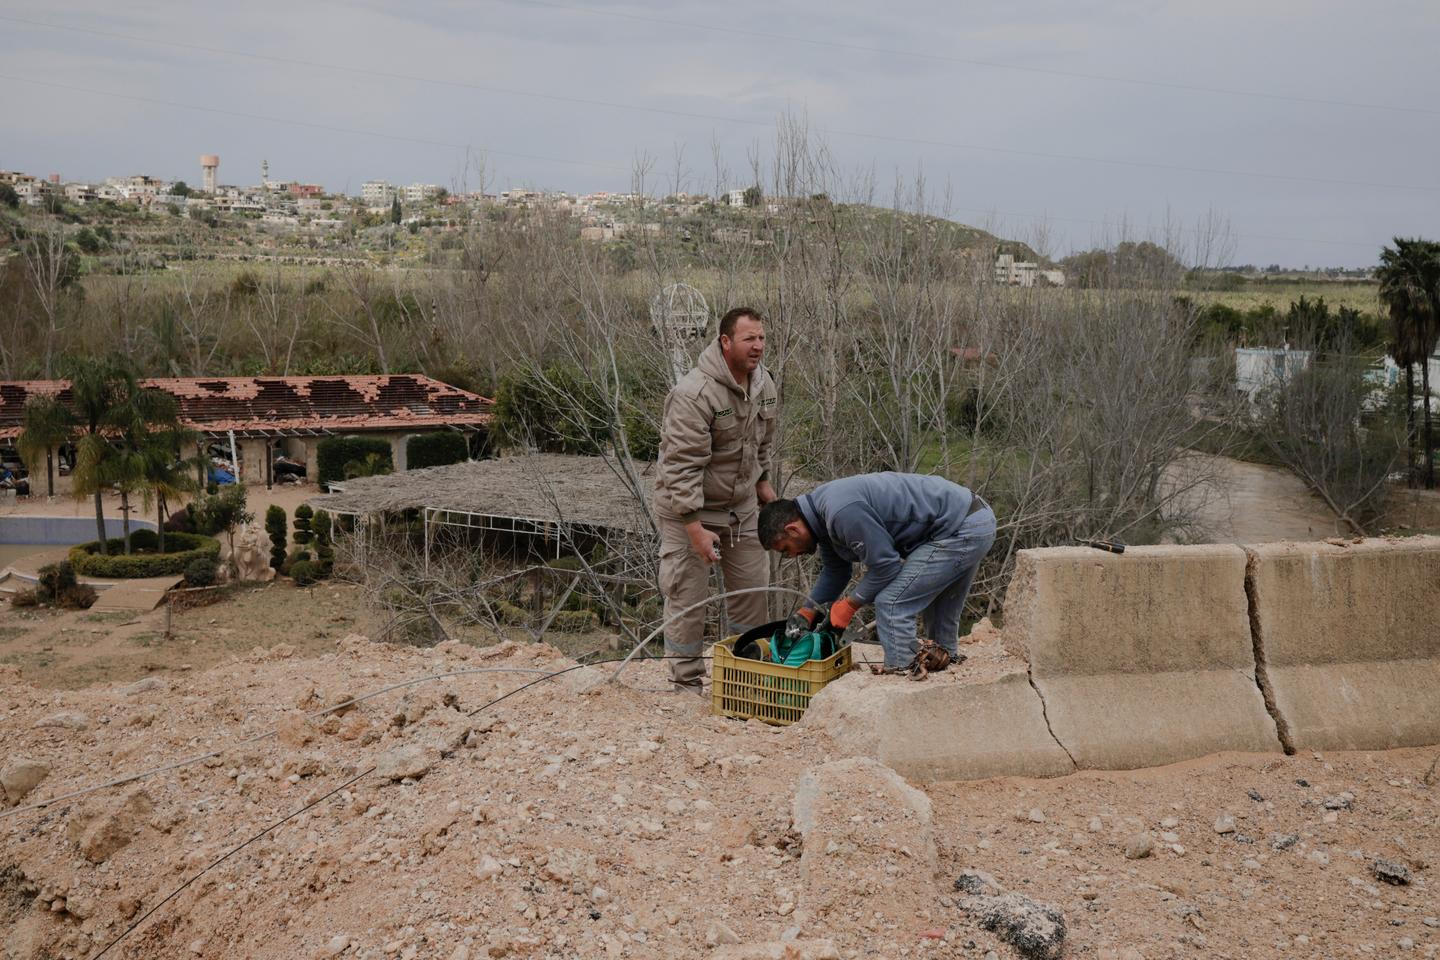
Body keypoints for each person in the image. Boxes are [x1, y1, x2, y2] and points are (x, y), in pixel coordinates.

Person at [653, 306, 779, 695]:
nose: (757, 346)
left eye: (761, 338)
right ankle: (686, 682)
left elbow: (762, 444)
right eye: (748, 339)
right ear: (726, 342)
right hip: (688, 511)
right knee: (688, 599)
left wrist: (765, 488)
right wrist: (694, 527)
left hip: (740, 510)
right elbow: (681, 465)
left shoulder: (764, 385)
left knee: (752, 595)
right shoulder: (694, 393)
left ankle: (745, 679)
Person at [757, 473, 995, 673]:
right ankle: (945, 664)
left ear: (793, 529)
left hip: (961, 529)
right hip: (969, 518)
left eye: (787, 549)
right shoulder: (820, 513)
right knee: (940, 610)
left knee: (891, 604)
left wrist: (850, 605)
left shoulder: (841, 511)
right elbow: (836, 571)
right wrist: (807, 610)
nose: (793, 555)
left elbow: (887, 566)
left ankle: (901, 677)